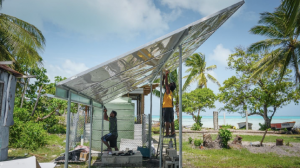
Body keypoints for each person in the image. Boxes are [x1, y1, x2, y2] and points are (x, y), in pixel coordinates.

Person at [162, 70, 176, 137]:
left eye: (171, 83)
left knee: (167, 121)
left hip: (167, 108)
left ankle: (167, 133)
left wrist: (166, 75)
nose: (169, 83)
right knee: (171, 121)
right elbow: (163, 84)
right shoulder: (170, 93)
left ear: (171, 86)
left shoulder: (168, 91)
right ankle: (173, 132)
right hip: (170, 108)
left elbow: (166, 84)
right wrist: (164, 78)